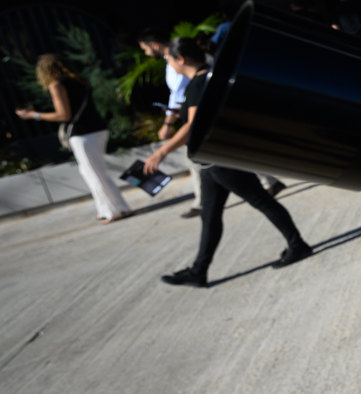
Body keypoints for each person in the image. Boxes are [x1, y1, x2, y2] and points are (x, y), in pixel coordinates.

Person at [145, 39, 313, 288]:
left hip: (218, 160)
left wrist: (161, 152)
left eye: (169, 59)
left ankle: (298, 245)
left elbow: (194, 124)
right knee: (210, 216)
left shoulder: (199, 83)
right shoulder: (205, 79)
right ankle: (199, 271)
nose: (168, 64)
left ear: (181, 59)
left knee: (260, 201)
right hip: (211, 161)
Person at [16, 55, 131, 224]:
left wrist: (35, 115)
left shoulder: (56, 85)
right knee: (92, 172)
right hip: (98, 129)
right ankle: (106, 209)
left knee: (94, 174)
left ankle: (114, 211)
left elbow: (64, 115)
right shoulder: (80, 81)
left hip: (83, 135)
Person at [139, 30, 201, 218]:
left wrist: (162, 150)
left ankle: (202, 202)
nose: (146, 54)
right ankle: (203, 202)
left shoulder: (196, 81)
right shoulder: (196, 78)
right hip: (191, 116)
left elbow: (180, 98)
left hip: (197, 122)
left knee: (197, 159)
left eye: (145, 49)